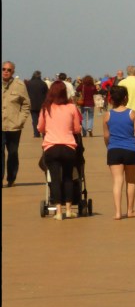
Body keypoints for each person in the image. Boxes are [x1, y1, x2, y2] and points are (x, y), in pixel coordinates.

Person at [103, 85, 135, 220]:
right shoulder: (132, 113)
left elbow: (106, 136)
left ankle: (118, 212)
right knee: (131, 181)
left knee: (117, 181)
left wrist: (109, 147)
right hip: (131, 150)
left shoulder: (107, 115)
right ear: (125, 98)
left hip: (114, 150)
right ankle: (130, 210)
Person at [37, 81, 81, 219]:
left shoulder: (46, 108)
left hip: (51, 147)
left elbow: (40, 128)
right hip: (68, 146)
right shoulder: (71, 107)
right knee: (68, 177)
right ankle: (68, 209)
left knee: (55, 179)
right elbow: (77, 129)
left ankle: (58, 211)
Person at [2, 61, 31, 187]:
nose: (6, 72)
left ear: (13, 72)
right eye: (3, 69)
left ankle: (11, 178)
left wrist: (21, 120)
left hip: (14, 126)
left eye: (9, 70)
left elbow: (26, 104)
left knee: (13, 153)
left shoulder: (19, 85)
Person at [26, 70, 49, 138]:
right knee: (43, 119)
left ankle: (36, 133)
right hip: (42, 104)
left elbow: (26, 93)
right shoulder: (43, 83)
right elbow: (47, 94)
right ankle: (43, 132)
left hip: (32, 104)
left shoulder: (29, 83)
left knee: (35, 120)